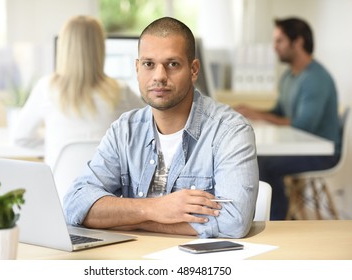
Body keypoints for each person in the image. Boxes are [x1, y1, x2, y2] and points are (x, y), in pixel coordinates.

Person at [63, 17, 258, 239]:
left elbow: (234, 221)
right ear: (137, 69)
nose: (159, 76)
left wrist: (127, 221)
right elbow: (75, 204)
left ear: (194, 70)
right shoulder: (124, 131)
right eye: (149, 64)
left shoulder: (230, 130)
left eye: (172, 64)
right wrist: (155, 208)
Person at [235, 17, 340, 220]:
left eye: (279, 40)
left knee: (264, 164)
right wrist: (253, 112)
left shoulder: (315, 79)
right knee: (257, 158)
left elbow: (303, 124)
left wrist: (260, 115)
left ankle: (275, 221)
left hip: (322, 154)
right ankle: (261, 215)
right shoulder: (290, 76)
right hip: (302, 148)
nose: (274, 47)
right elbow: (279, 112)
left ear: (298, 42)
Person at [11, 15, 144, 169]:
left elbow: (20, 138)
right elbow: (151, 126)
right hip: (108, 191)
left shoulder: (46, 88)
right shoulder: (121, 91)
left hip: (59, 191)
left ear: (64, 47)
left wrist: (56, 144)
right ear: (100, 48)